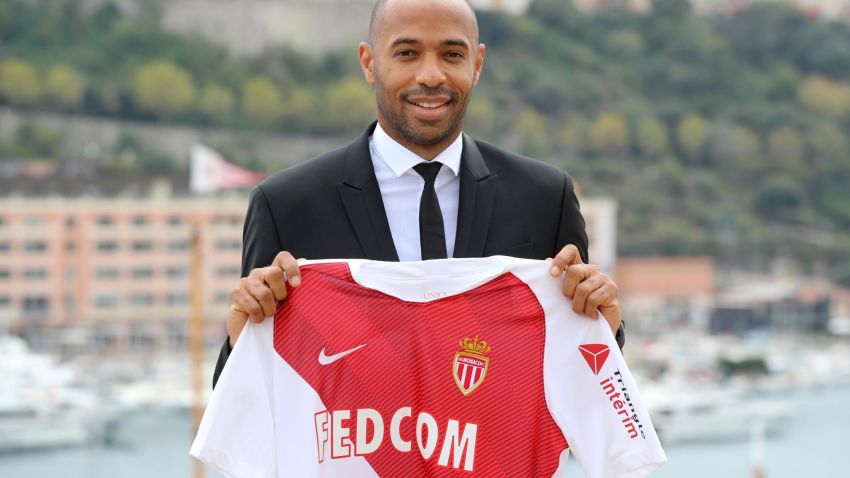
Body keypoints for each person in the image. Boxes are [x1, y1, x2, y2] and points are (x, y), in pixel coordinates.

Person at [214, 0, 624, 387]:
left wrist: (606, 324)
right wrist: (239, 337)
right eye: (407, 53)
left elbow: (583, 385)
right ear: (369, 62)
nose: (431, 76)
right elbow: (245, 413)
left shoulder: (545, 198)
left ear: (477, 64)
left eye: (452, 55)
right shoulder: (286, 206)